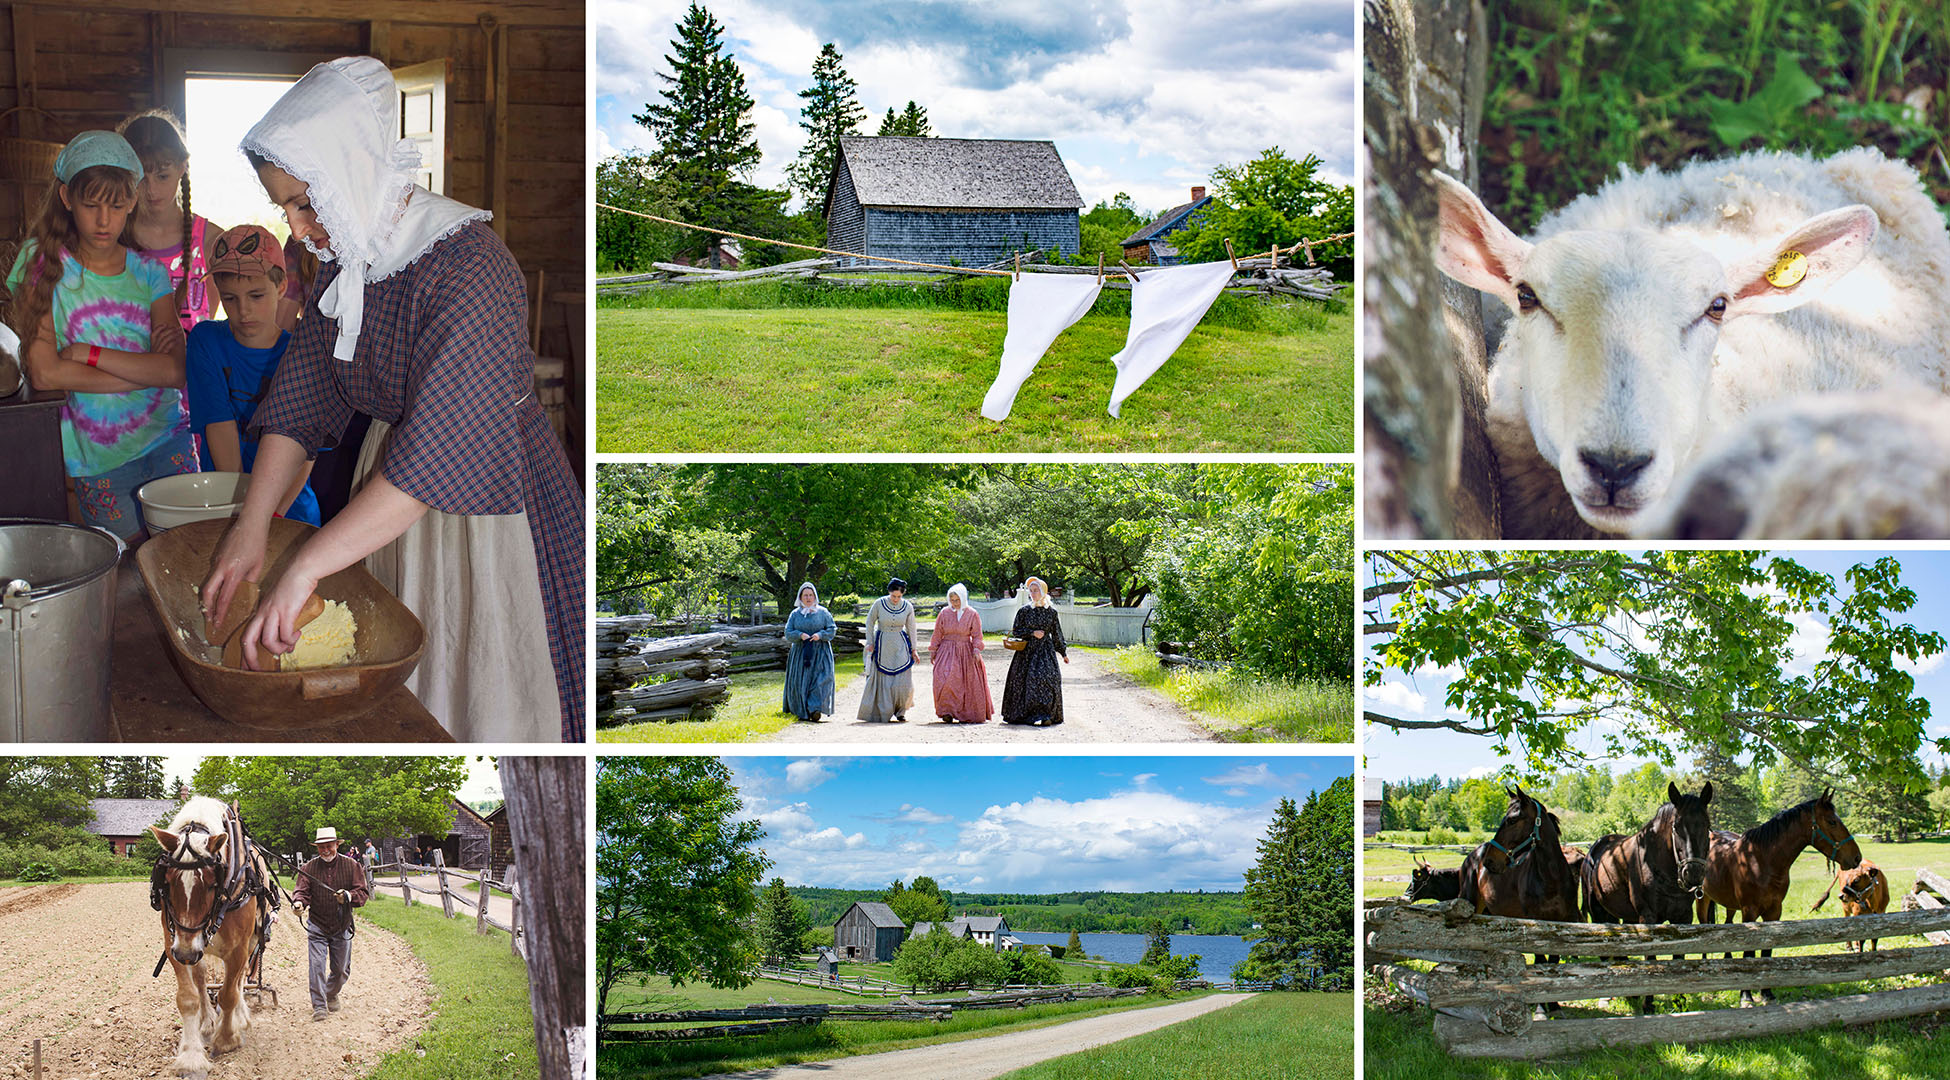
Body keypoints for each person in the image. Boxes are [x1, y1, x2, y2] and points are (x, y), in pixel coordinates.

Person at [200, 57, 584, 741]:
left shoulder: (471, 268)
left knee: (487, 676)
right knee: (409, 669)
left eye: (305, 203)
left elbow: (438, 457)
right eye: (284, 206)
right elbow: (301, 405)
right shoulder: (350, 267)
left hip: (488, 498)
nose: (296, 229)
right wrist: (253, 526)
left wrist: (308, 563)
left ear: (353, 173)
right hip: (391, 491)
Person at [6, 130, 189, 542]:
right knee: (124, 571)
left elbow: (176, 370)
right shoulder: (42, 262)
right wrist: (147, 371)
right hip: (99, 459)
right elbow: (45, 375)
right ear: (67, 198)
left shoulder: (149, 274)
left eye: (117, 205)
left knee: (186, 555)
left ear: (133, 201)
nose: (104, 220)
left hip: (167, 438)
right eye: (91, 205)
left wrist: (87, 353)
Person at [184, 224, 320, 524]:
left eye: (256, 296)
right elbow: (220, 428)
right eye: (230, 298)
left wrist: (268, 517)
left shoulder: (305, 355)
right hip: (226, 503)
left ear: (282, 287)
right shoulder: (205, 342)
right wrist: (241, 518)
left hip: (290, 513)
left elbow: (304, 455)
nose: (243, 311)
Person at [117, 110, 221, 331]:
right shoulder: (114, 236)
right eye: (141, 178)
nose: (152, 190)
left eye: (162, 176)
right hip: (126, 363)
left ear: (182, 167)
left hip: (193, 365)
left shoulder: (212, 241)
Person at [291, 825, 369, 1022]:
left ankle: (331, 993)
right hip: (317, 925)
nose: (325, 850)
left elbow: (362, 894)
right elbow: (302, 891)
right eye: (321, 847)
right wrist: (299, 903)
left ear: (337, 844)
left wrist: (348, 896)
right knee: (316, 965)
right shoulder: (308, 868)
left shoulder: (352, 866)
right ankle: (319, 1006)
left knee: (341, 969)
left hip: (341, 925)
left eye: (329, 846)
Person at [1002, 576, 1069, 725]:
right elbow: (1016, 631)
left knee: (1047, 680)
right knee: (1025, 682)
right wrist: (1032, 633)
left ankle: (1046, 715)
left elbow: (1057, 633)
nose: (1033, 593)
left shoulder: (1051, 612)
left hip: (1045, 652)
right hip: (1026, 652)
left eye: (1036, 590)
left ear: (1043, 591)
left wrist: (1063, 652)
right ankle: (1027, 715)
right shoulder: (1024, 611)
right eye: (1031, 591)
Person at [929, 582, 992, 722]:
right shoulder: (944, 613)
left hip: (965, 651)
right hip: (946, 650)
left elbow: (977, 634)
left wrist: (976, 649)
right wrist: (933, 649)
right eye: (951, 600)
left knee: (963, 682)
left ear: (963, 598)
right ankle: (947, 711)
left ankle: (965, 712)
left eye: (957, 600)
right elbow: (937, 633)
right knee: (944, 678)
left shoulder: (972, 614)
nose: (954, 603)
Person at [859, 578, 917, 722]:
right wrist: (870, 642)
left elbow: (911, 628)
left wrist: (914, 649)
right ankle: (884, 711)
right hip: (882, 643)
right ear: (889, 592)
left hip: (900, 643)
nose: (896, 599)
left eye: (899, 596)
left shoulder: (908, 606)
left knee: (903, 680)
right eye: (893, 596)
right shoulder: (879, 603)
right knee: (883, 679)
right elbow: (870, 622)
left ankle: (901, 710)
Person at [783, 582, 837, 721]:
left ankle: (815, 709)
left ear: (815, 596)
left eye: (811, 595)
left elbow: (832, 629)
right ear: (800, 597)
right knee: (801, 682)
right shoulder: (795, 614)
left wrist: (820, 635)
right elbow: (788, 633)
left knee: (821, 680)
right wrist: (800, 635)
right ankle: (803, 709)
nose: (808, 598)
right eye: (805, 595)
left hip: (821, 652)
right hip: (801, 653)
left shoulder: (823, 613)